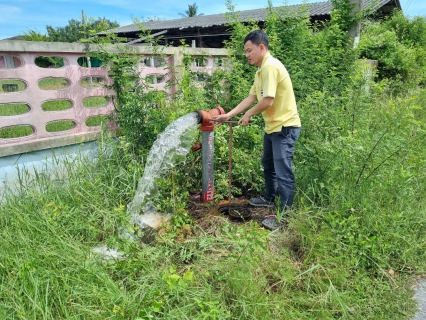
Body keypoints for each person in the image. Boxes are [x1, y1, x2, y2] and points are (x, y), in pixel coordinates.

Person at [213, 30, 301, 230]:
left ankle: (285, 219)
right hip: (273, 127)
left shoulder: (271, 67)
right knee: (268, 163)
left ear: (262, 47)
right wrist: (230, 115)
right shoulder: (260, 71)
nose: (247, 55)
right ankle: (270, 198)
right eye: (245, 51)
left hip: (285, 127)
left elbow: (268, 101)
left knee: (283, 172)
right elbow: (251, 98)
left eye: (249, 50)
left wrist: (249, 115)